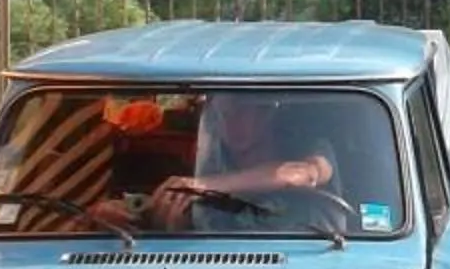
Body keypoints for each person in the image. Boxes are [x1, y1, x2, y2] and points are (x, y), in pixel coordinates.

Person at [143, 93, 338, 229]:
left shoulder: (310, 148)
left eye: (240, 112)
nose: (229, 123)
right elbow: (203, 232)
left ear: (266, 112)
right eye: (222, 114)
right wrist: (169, 217)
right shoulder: (214, 160)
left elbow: (304, 174)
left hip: (310, 255)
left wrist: (206, 186)